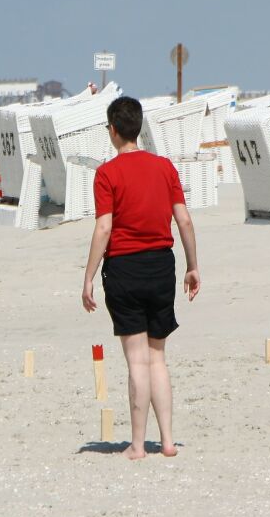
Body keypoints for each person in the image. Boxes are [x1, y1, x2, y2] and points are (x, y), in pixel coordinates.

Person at [82, 96, 200, 460]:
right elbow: (184, 220)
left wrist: (87, 278)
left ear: (113, 131)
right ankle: (166, 441)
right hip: (162, 266)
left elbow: (104, 228)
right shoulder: (165, 168)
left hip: (124, 269)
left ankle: (137, 444)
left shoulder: (107, 173)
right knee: (158, 358)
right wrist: (193, 266)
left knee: (136, 362)